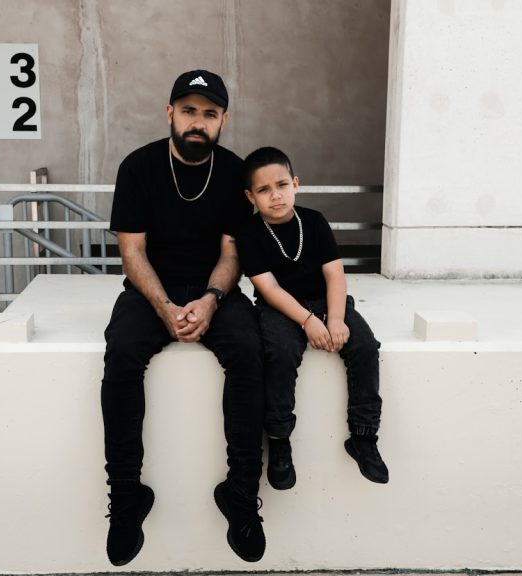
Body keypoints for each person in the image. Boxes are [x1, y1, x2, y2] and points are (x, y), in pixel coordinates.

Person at [101, 70, 265, 566]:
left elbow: (232, 251)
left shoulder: (236, 173)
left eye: (209, 114)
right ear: (169, 112)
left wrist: (213, 298)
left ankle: (240, 492)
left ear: (223, 120)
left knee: (250, 352)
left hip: (215, 289)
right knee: (123, 354)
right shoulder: (138, 167)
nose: (199, 122)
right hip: (152, 289)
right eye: (189, 111)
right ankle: (128, 494)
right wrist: (165, 307)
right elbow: (132, 252)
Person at [236, 146, 389, 490]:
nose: (275, 195)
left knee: (364, 345)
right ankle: (278, 439)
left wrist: (335, 319)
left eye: (281, 184)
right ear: (251, 196)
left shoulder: (314, 221)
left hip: (326, 300)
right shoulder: (250, 233)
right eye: (263, 190)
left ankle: (363, 435)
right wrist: (307, 321)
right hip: (280, 307)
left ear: (296, 183)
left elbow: (335, 275)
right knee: (279, 353)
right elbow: (269, 287)